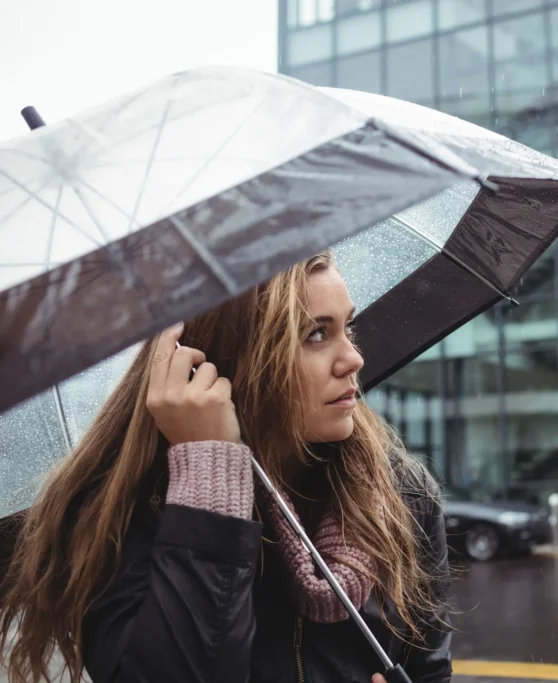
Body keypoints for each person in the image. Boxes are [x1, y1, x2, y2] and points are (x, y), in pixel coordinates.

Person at [0, 252, 452, 683]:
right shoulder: (117, 516)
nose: (354, 358)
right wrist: (208, 476)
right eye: (316, 334)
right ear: (227, 362)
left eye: (347, 328)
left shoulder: (403, 496)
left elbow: (430, 671)